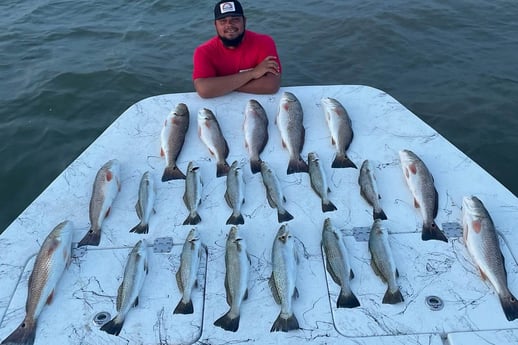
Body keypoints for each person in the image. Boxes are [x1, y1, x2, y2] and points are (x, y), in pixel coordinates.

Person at [192, 0, 282, 98]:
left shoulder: (264, 42)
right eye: (223, 21)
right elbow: (204, 90)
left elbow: (272, 85)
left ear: (244, 21)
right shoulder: (203, 51)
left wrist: (221, 85)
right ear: (215, 25)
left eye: (235, 19)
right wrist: (252, 74)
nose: (229, 25)